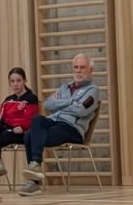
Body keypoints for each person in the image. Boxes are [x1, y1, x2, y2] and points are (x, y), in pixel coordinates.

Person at [19, 53, 99, 196]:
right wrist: (71, 102)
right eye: (76, 67)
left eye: (82, 67)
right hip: (54, 122)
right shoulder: (65, 88)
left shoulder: (92, 90)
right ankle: (35, 167)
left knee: (31, 136)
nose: (78, 71)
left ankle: (33, 181)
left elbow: (80, 110)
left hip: (72, 129)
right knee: (35, 123)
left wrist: (60, 105)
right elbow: (48, 104)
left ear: (90, 70)